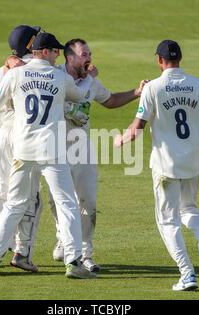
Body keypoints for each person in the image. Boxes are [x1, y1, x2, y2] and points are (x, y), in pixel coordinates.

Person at [0, 32, 98, 279]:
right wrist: (90, 79)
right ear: (45, 52)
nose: (57, 56)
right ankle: (73, 263)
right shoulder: (59, 76)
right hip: (51, 150)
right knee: (66, 204)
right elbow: (80, 95)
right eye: (55, 51)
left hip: (23, 148)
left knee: (14, 204)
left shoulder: (15, 74)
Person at [114, 40, 199, 291]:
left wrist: (121, 139)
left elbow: (137, 128)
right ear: (180, 58)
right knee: (189, 209)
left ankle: (187, 274)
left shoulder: (153, 87)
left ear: (159, 61)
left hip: (165, 166)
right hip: (192, 162)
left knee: (167, 221)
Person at [48, 39, 149, 272]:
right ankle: (64, 236)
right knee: (57, 201)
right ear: (69, 58)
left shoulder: (91, 82)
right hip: (54, 148)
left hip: (81, 148)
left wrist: (137, 92)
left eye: (90, 54)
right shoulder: (54, 75)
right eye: (84, 54)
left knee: (88, 201)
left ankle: (85, 253)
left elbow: (110, 100)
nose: (89, 58)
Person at [0, 25, 44, 272]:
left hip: (0, 135)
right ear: (32, 44)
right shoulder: (39, 68)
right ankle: (21, 253)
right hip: (23, 135)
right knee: (30, 198)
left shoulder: (5, 70)